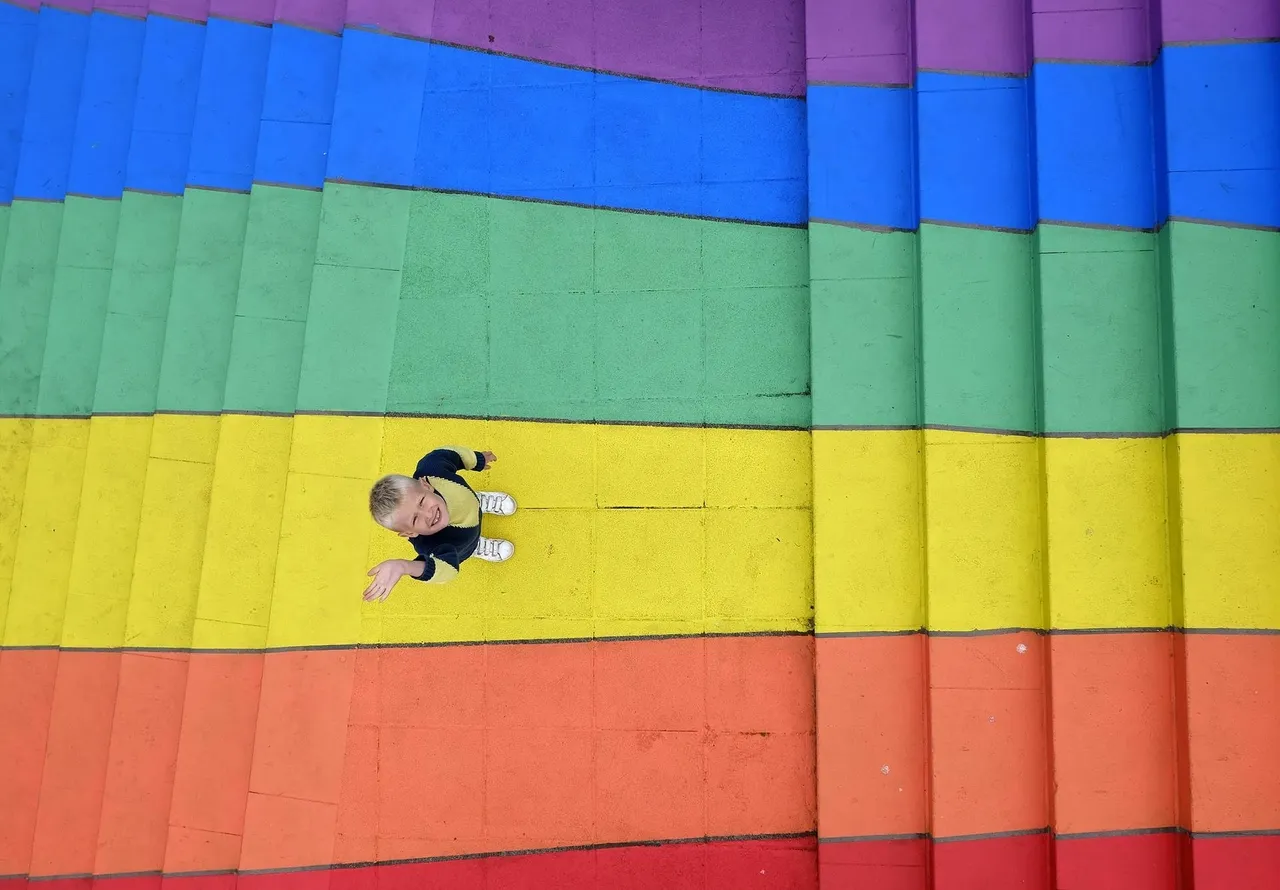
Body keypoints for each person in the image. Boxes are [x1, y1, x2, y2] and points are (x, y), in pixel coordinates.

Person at [363, 446, 515, 601]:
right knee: (462, 549)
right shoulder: (428, 545)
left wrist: (476, 459)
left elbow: (451, 455)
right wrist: (404, 566)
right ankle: (475, 546)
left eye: (422, 502)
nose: (428, 514)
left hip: (465, 500)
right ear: (410, 533)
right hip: (464, 543)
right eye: (415, 519)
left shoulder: (433, 468)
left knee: (468, 500)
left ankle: (479, 501)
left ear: (426, 485)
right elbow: (446, 569)